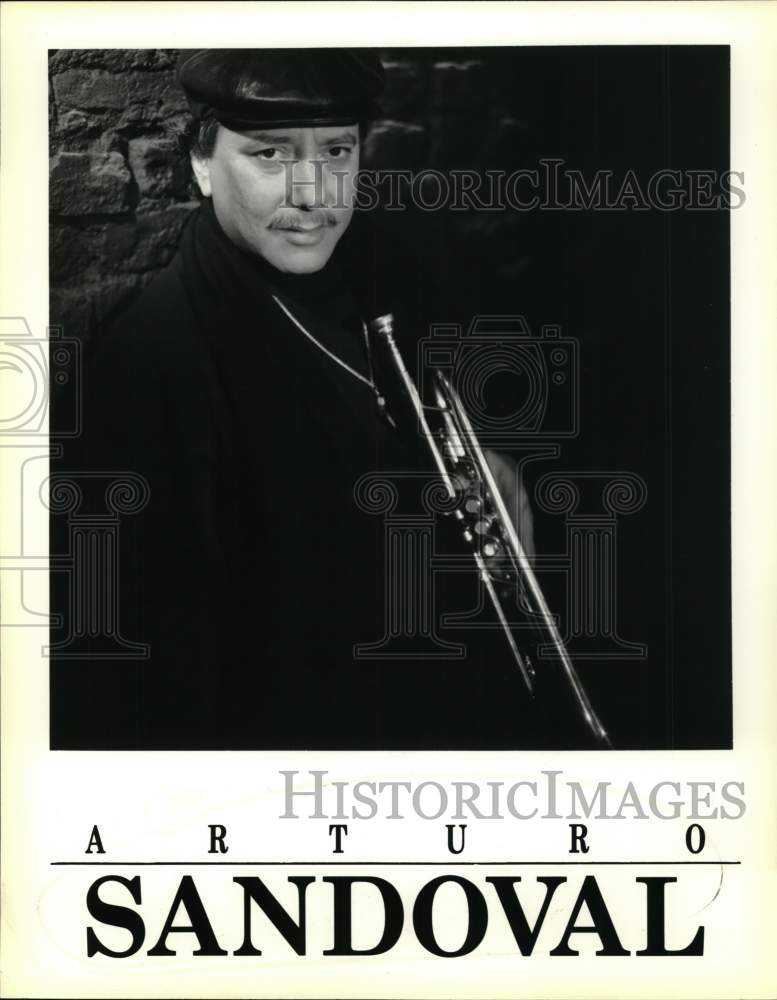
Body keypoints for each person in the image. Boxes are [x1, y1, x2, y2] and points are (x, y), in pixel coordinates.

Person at [50, 49, 558, 751]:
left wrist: (482, 480)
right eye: (269, 155)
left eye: (338, 150)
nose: (315, 192)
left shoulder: (375, 275)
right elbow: (161, 696)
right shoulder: (151, 368)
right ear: (200, 163)